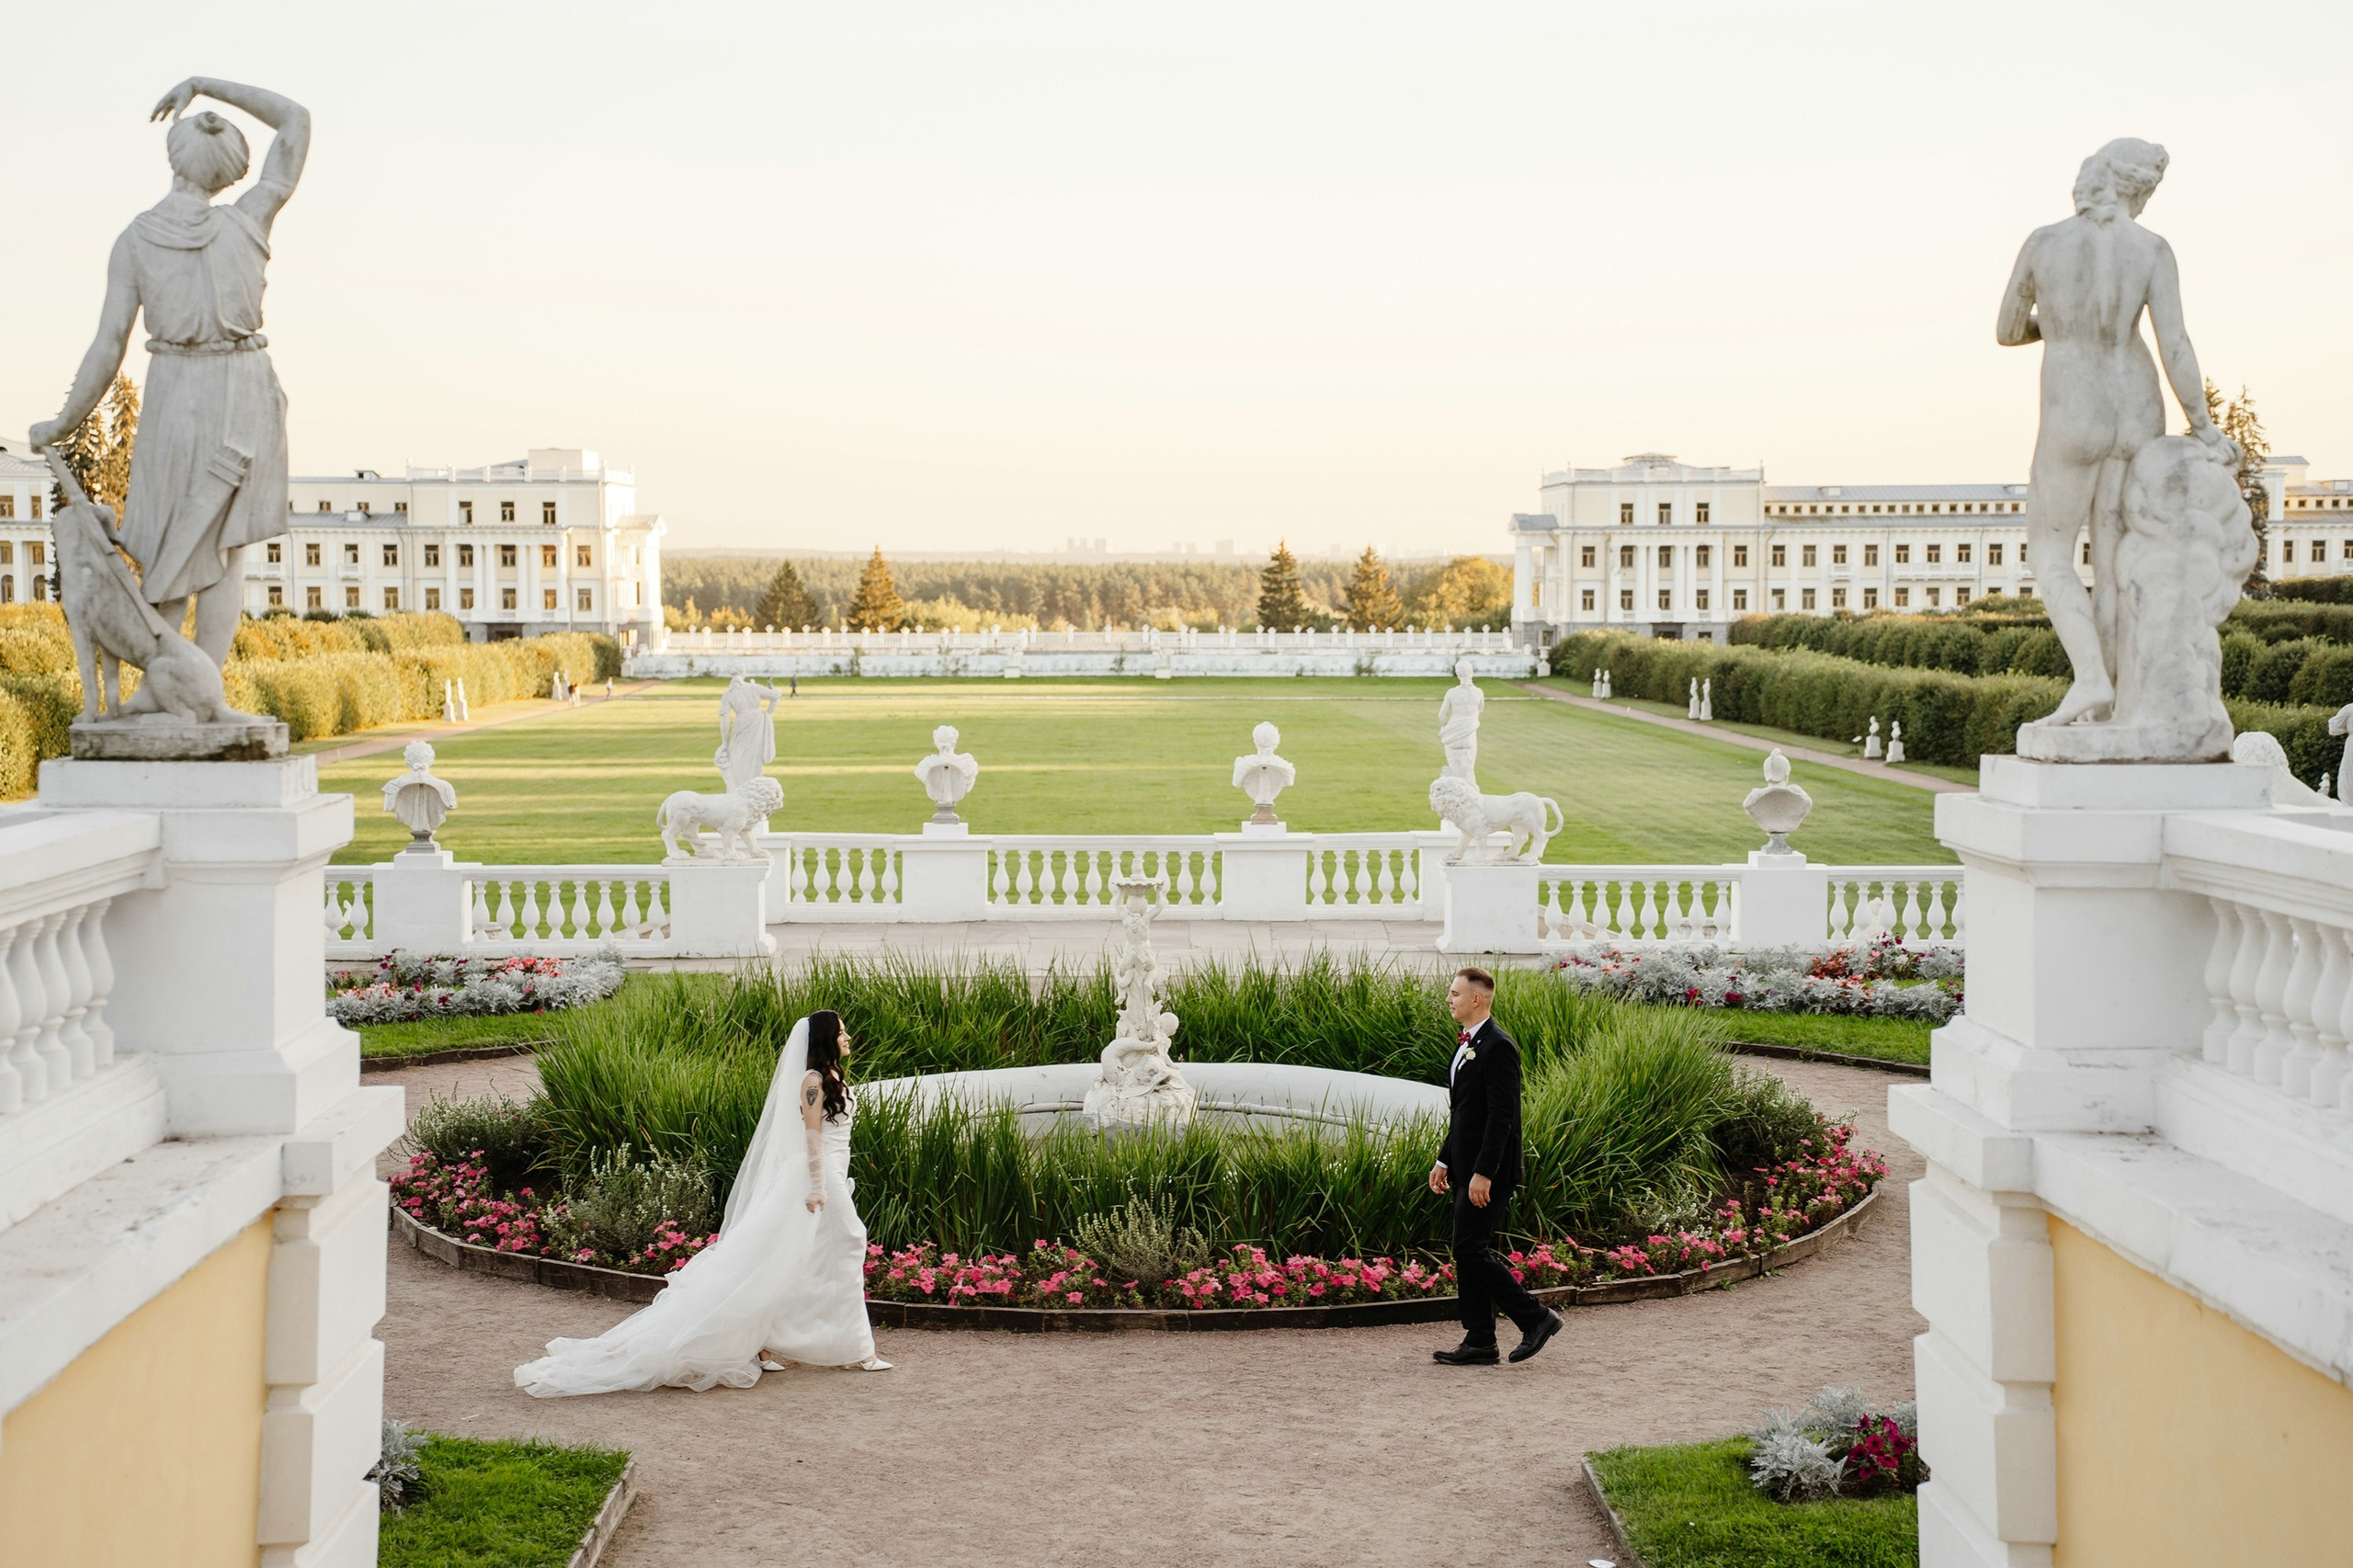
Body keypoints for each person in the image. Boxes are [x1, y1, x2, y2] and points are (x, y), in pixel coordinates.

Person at [32, 78, 310, 669]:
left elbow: (109, 346)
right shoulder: (249, 217)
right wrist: (208, 85)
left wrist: (63, 421)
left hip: (177, 389)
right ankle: (197, 694)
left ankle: (169, 689)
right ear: (231, 172)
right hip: (245, 386)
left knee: (168, 544)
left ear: (174, 157)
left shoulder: (135, 241)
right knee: (225, 549)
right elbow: (294, 120)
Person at [515, 1010, 890, 1395]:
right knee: (849, 1241)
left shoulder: (834, 1077)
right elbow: (812, 1137)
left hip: (831, 1168)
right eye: (842, 1033)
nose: (848, 1038)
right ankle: (858, 1349)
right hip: (818, 1173)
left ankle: (765, 1342)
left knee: (797, 1255)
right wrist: (817, 1186)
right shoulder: (812, 1081)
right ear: (826, 1040)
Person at [1995, 138, 2236, 731]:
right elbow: (2174, 343)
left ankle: (2090, 679)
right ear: (2138, 188)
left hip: (2073, 403)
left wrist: (2054, 326)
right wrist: (2203, 427)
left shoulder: (2045, 242)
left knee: (2050, 552)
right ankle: (2117, 705)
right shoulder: (2152, 248)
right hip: (2136, 402)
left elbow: (2005, 330)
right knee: (2117, 562)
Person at [1428, 967, 1561, 1366]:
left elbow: (1503, 1117)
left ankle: (1536, 1318)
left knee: (1470, 1249)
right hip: (1466, 1165)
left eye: (1454, 994)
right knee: (1468, 1250)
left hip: (1490, 1170)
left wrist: (1483, 1173)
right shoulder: (1467, 1043)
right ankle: (1481, 1340)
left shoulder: (1498, 1046)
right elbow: (1464, 1113)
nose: (1448, 999)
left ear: (1476, 1000)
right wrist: (1444, 1158)